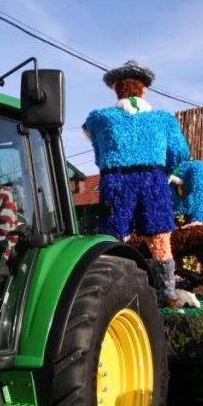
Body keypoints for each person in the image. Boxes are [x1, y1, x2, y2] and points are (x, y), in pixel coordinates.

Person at [84, 60, 191, 305]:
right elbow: (180, 151)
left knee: (113, 234)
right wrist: (165, 170)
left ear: (116, 88)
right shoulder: (163, 119)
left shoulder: (100, 118)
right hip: (152, 178)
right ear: (143, 89)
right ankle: (167, 293)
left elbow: (96, 145)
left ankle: (110, 291)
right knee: (160, 236)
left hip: (116, 178)